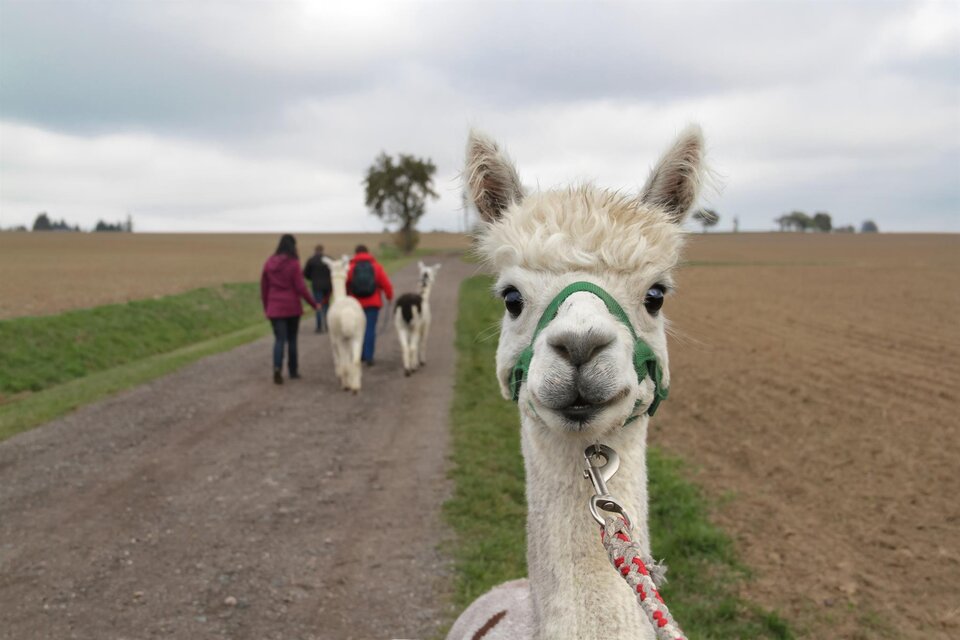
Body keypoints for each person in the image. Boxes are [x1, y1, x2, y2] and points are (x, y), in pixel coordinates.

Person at [260, 234, 317, 384]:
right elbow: (301, 288)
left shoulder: (269, 263)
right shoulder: (293, 264)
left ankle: (277, 368)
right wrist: (314, 304)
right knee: (292, 340)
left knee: (279, 340)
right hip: (291, 307)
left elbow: (264, 288)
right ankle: (293, 371)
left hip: (274, 307)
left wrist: (267, 307)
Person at [346, 244, 393, 366]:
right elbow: (386, 284)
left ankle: (359, 355)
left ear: (355, 253)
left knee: (357, 330)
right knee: (370, 329)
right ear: (368, 252)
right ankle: (369, 356)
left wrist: (347, 298)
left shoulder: (350, 267)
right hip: (373, 303)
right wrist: (389, 296)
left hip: (355, 305)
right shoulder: (376, 267)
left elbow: (345, 284)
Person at [302, 244, 332, 333]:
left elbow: (305, 273)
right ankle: (327, 326)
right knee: (326, 306)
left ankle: (319, 327)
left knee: (318, 305)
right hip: (328, 286)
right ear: (323, 250)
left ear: (315, 250)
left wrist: (312, 278)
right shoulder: (328, 260)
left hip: (316, 286)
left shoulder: (311, 260)